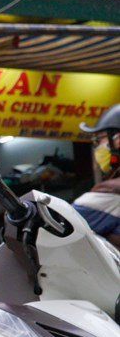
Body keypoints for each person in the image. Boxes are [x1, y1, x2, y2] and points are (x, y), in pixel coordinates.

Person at [72, 103, 120, 250]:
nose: (97, 147)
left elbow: (63, 224)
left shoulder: (112, 191)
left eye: (100, 140)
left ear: (118, 140)